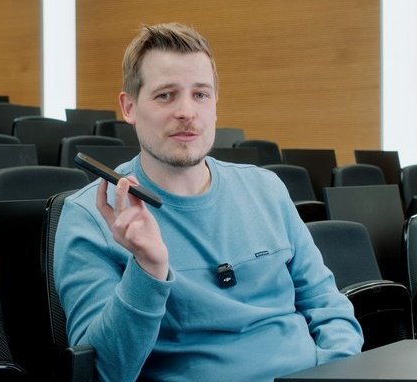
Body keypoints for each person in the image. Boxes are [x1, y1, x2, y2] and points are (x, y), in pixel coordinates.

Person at [54, 22, 362, 381]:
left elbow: (328, 306)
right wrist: (148, 269)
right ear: (130, 107)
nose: (187, 111)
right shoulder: (91, 216)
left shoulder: (267, 188)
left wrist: (337, 369)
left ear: (215, 104)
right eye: (165, 95)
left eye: (200, 94)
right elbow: (102, 371)